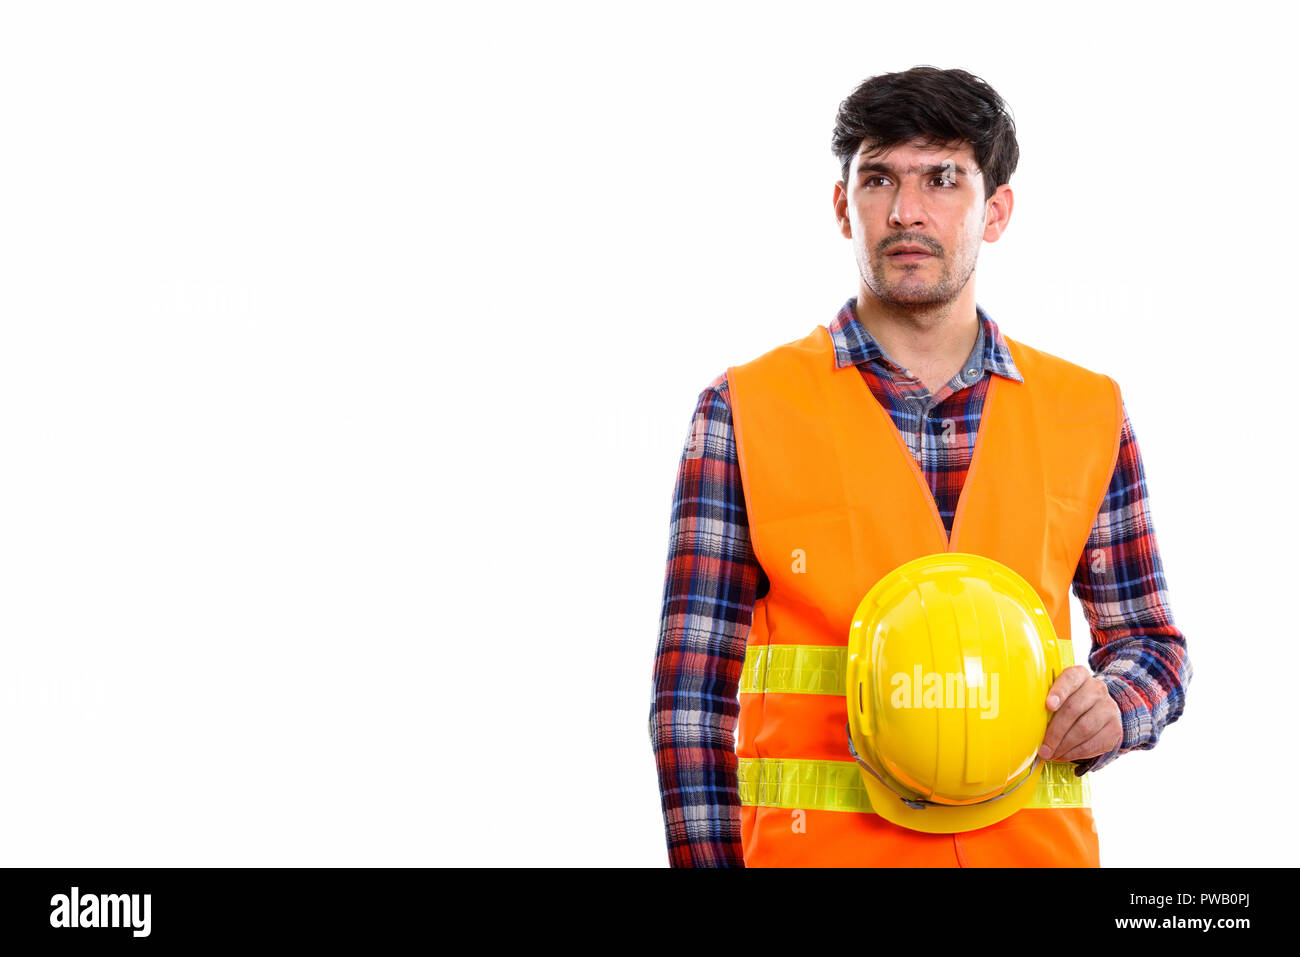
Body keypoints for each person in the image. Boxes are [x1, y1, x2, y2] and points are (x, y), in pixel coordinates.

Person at [648, 65, 1190, 867]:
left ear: (995, 209)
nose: (906, 211)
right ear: (843, 207)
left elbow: (1152, 644)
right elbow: (690, 703)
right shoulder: (742, 410)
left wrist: (1119, 703)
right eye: (878, 179)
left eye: (942, 178)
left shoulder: (1089, 411)